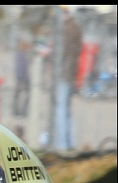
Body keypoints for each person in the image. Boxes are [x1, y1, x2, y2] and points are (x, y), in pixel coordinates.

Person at [53, 7, 82, 152]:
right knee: (66, 110)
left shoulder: (67, 29)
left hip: (64, 74)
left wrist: (49, 51)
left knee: (61, 109)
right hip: (70, 73)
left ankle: (62, 144)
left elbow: (61, 51)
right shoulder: (75, 27)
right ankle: (69, 142)